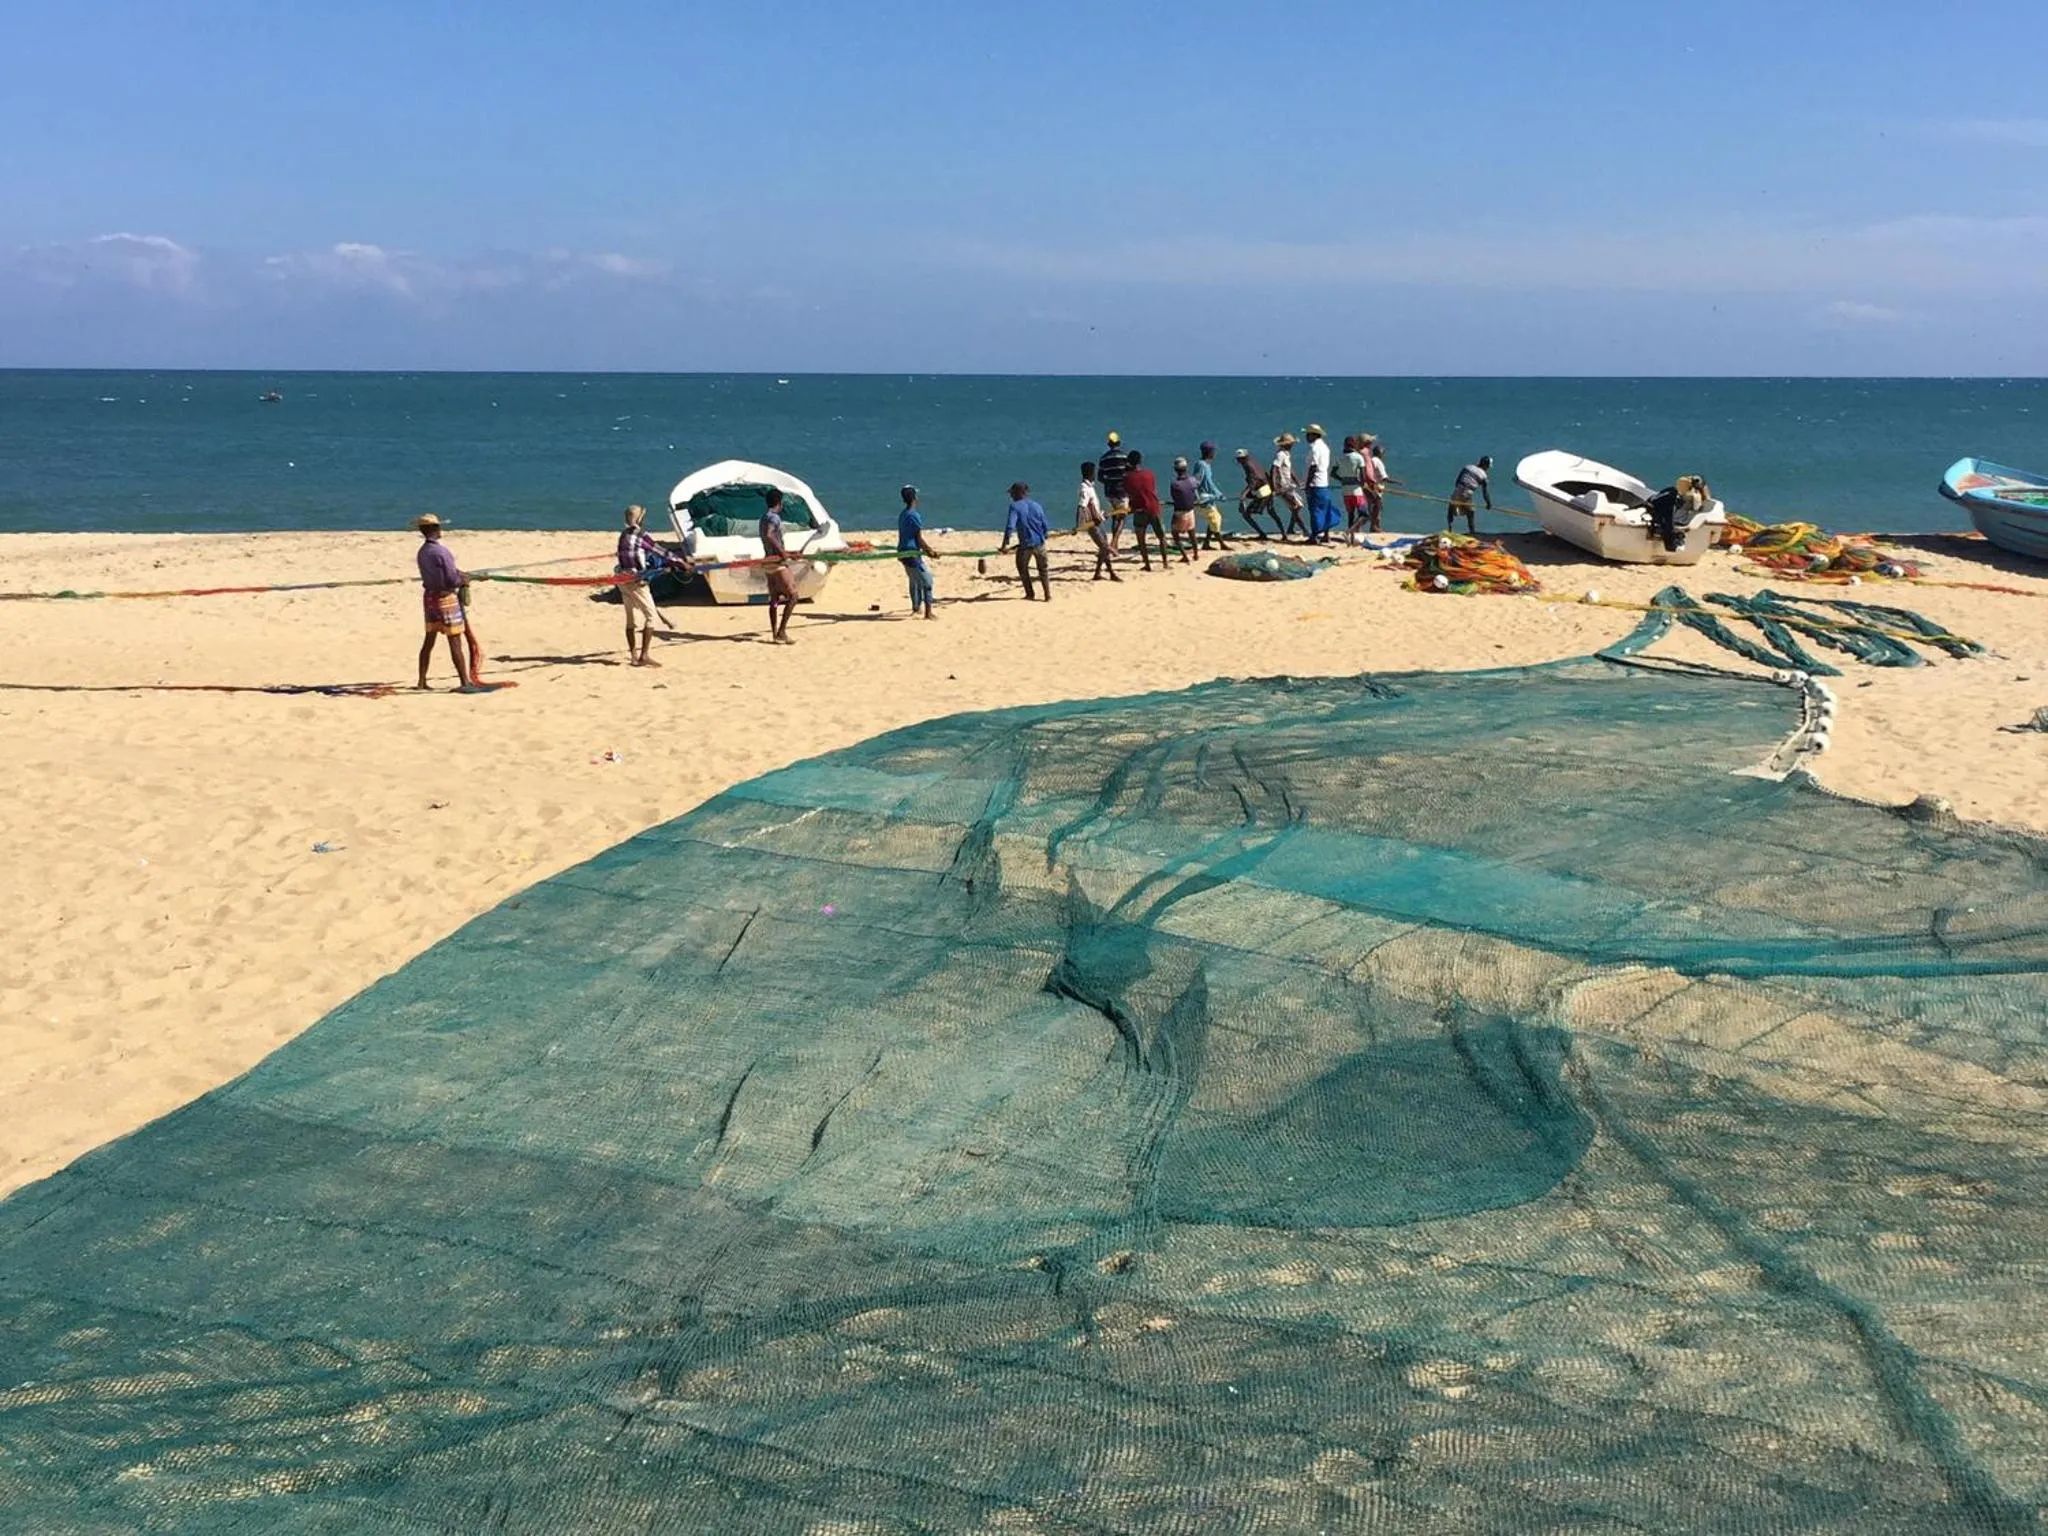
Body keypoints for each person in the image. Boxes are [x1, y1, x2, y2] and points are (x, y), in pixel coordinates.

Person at [414, 514, 480, 691]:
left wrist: (461, 574)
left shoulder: (422, 552)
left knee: (429, 640)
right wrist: (464, 580)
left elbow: (445, 572)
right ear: (435, 530)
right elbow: (451, 579)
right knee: (455, 640)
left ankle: (421, 681)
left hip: (429, 598)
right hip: (445, 599)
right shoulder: (442, 552)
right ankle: (464, 682)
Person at [615, 503, 677, 667]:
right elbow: (661, 551)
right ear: (640, 517)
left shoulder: (623, 534)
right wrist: (682, 563)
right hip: (636, 581)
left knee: (630, 619)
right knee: (651, 617)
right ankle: (644, 656)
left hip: (621, 579)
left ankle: (634, 656)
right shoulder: (640, 535)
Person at [998, 481, 1052, 599]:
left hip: (1025, 545)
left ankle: (1030, 593)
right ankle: (1047, 595)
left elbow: (1010, 527)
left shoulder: (1014, 506)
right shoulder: (1037, 505)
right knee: (1043, 569)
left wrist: (1004, 545)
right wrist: (1044, 535)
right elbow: (1045, 525)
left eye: (1012, 493)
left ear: (1018, 493)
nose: (1011, 496)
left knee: (1022, 568)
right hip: (1040, 543)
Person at [759, 487, 799, 642]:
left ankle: (775, 633)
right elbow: (770, 535)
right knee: (793, 596)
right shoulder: (774, 518)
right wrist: (783, 553)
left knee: (774, 599)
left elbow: (770, 537)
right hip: (777, 563)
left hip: (768, 562)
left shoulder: (763, 517)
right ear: (779, 503)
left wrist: (788, 552)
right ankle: (782, 631)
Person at [897, 484, 941, 617]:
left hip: (902, 552)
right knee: (927, 581)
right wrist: (930, 552)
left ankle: (916, 607)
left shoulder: (903, 514)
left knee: (914, 579)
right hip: (911, 553)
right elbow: (919, 538)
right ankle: (928, 613)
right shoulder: (914, 515)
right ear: (914, 498)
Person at [1123, 449, 1167, 570]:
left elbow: (1130, 494)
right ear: (1140, 461)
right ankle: (1165, 563)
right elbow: (1152, 490)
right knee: (1161, 536)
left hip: (1139, 510)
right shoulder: (1149, 474)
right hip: (1153, 507)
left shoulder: (1127, 478)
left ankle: (1147, 564)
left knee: (1141, 539)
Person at [1076, 460, 1120, 581]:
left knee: (1103, 549)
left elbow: (1092, 506)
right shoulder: (1084, 488)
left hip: (1098, 521)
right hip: (1092, 524)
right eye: (1093, 472)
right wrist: (1079, 525)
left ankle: (1098, 573)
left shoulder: (1090, 487)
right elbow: (1081, 506)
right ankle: (1111, 572)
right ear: (1090, 473)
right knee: (1105, 547)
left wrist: (1102, 515)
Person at [1302, 424, 1339, 544]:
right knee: (1325, 507)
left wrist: (1307, 484)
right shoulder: (1325, 447)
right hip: (1323, 482)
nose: (1306, 437)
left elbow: (1313, 466)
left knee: (1315, 510)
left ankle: (1314, 536)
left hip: (1315, 483)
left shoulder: (1315, 448)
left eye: (1308, 434)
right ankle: (1326, 535)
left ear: (1313, 435)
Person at [1096, 431, 1132, 549]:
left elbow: (1100, 477)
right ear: (1119, 443)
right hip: (1122, 491)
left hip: (1110, 491)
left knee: (1115, 516)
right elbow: (1129, 474)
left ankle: (1114, 543)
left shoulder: (1104, 459)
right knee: (1122, 517)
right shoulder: (1124, 457)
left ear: (1108, 444)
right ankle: (1114, 542)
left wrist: (1109, 481)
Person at [1233, 448, 1278, 539]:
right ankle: (1283, 532)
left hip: (1262, 492)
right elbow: (1262, 476)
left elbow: (1253, 481)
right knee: (1272, 512)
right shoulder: (1253, 463)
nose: (1238, 461)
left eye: (1239, 459)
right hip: (1267, 489)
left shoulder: (1248, 466)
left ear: (1244, 458)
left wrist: (1244, 494)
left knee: (1246, 514)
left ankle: (1262, 534)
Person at [1194, 441, 1231, 550]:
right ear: (1209, 452)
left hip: (1210, 497)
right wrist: (1197, 497)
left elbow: (1210, 483)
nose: (1214, 454)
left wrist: (1219, 494)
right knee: (1216, 519)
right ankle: (1221, 543)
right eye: (1213, 451)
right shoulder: (1201, 465)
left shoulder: (1207, 465)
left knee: (1212, 519)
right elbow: (1197, 481)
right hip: (1203, 498)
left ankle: (1206, 543)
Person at [1270, 433, 1307, 539]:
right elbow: (1275, 469)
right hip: (1283, 486)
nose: (1292, 446)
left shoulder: (1286, 454)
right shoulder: (1280, 455)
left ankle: (1291, 528)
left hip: (1289, 485)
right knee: (1295, 506)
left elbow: (1289, 470)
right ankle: (1304, 529)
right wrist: (1275, 486)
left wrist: (1298, 481)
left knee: (1298, 506)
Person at [1167, 457, 1203, 564]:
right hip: (1191, 510)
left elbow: (1175, 498)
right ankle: (1196, 554)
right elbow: (1194, 492)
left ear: (1175, 470)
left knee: (1175, 534)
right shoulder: (1192, 480)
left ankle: (1185, 556)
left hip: (1180, 512)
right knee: (1192, 533)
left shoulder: (1175, 484)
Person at [1448, 456, 1494, 534]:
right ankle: (1472, 532)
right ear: (1486, 465)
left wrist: (1458, 490)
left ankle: (1449, 529)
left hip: (1458, 488)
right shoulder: (1483, 476)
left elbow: (1458, 480)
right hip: (1467, 492)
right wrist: (1488, 503)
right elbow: (1485, 492)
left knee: (1451, 508)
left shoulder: (1468, 467)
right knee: (1470, 513)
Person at [1338, 435, 1369, 538]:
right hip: (1356, 490)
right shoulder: (1358, 457)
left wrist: (1342, 479)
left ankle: (1351, 539)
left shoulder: (1340, 457)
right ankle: (1350, 531)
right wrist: (1362, 483)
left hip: (1345, 490)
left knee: (1350, 515)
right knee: (1364, 515)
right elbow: (1363, 476)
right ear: (1354, 445)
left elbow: (1333, 473)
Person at [1361, 434, 1388, 533]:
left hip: (1369, 485)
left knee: (1371, 506)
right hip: (1376, 486)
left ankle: (1373, 526)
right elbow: (1384, 477)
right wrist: (1396, 482)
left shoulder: (1370, 459)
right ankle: (1375, 526)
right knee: (1377, 506)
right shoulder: (1377, 461)